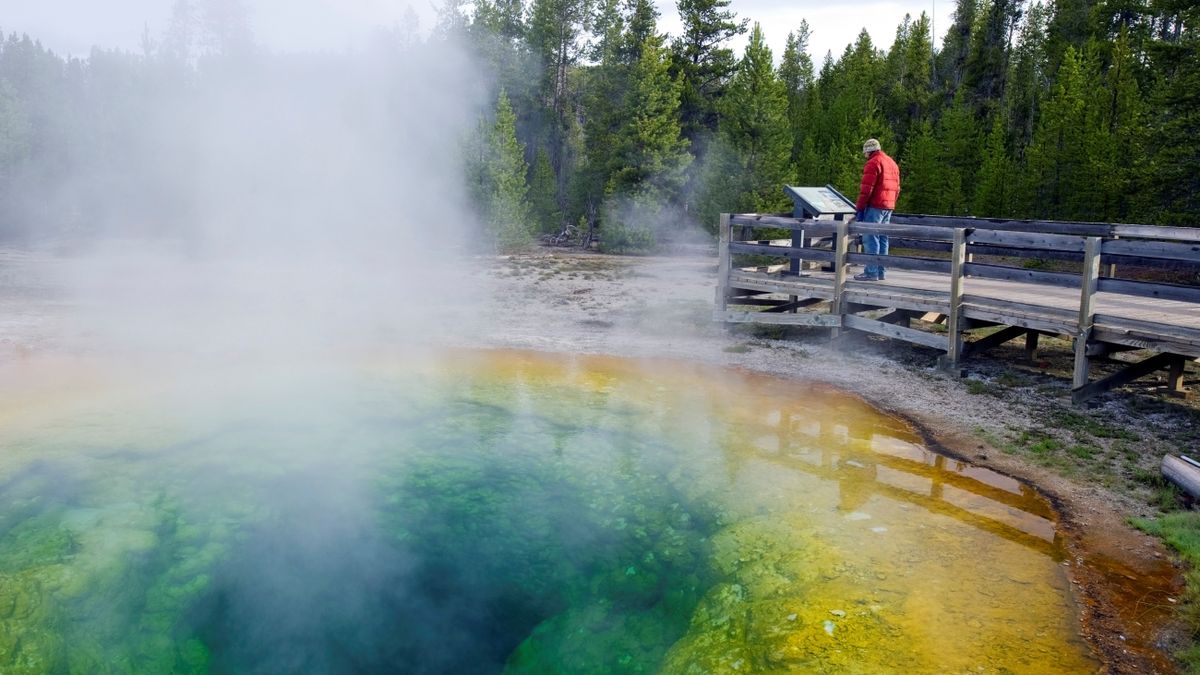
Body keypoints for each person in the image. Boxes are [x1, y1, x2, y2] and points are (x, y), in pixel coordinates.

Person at [853, 138, 901, 281]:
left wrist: (860, 207)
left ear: (868, 151)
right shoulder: (891, 162)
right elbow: (897, 188)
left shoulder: (873, 163)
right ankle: (881, 272)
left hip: (875, 205)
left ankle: (871, 272)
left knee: (870, 237)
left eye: (865, 153)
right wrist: (891, 203)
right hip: (888, 205)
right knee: (883, 237)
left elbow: (866, 190)